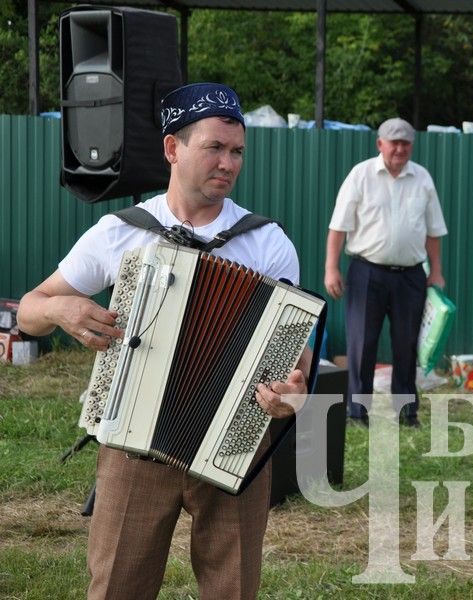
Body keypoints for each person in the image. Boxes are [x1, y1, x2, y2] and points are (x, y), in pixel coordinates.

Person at [17, 82, 308, 599]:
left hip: (233, 443)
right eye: (214, 147)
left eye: (236, 150)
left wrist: (292, 392)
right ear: (173, 148)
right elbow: (31, 310)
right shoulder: (120, 232)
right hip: (133, 444)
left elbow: (296, 358)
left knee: (233, 590)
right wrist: (61, 309)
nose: (228, 162)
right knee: (117, 588)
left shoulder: (267, 242)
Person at [324, 117, 447, 428]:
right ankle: (356, 412)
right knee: (361, 344)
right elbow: (338, 226)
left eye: (405, 143)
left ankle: (407, 412)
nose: (400, 148)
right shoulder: (361, 175)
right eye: (394, 142)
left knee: (407, 344)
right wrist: (331, 268)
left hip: (411, 275)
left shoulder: (422, 179)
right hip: (367, 272)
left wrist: (437, 272)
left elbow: (434, 231)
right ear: (380, 144)